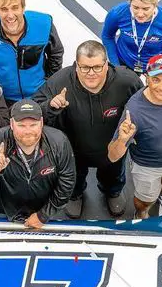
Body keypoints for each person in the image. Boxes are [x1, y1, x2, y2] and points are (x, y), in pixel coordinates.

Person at [33, 39, 142, 219]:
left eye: (97, 67)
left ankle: (112, 191)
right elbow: (35, 107)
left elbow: (144, 103)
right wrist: (50, 106)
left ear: (106, 64)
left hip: (111, 147)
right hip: (74, 148)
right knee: (73, 176)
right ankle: (75, 194)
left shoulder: (127, 81)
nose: (91, 73)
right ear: (76, 65)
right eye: (85, 67)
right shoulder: (60, 80)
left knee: (114, 173)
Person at [107, 54, 162, 218]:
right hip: (148, 167)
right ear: (146, 79)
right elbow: (112, 156)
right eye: (156, 79)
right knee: (144, 201)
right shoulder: (134, 110)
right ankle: (141, 214)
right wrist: (123, 139)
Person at [0, 100, 76, 227]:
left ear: (41, 123)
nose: (28, 131)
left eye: (33, 125)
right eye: (21, 125)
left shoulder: (59, 141)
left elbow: (67, 181)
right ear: (12, 124)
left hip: (44, 208)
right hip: (3, 210)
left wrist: (43, 215)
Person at [0, 0, 64, 103]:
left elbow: (56, 53)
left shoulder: (43, 24)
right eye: (4, 9)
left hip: (40, 96)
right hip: (2, 98)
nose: (10, 15)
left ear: (23, 8)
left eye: (15, 8)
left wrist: (49, 84)